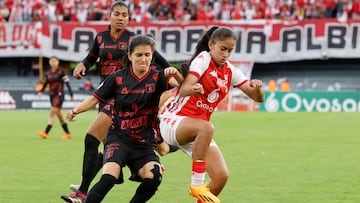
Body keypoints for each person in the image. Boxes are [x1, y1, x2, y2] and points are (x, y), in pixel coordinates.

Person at [61, 2, 175, 202]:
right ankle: (125, 169)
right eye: (118, 14)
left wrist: (173, 79)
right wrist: (82, 65)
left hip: (122, 100)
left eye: (125, 15)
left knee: (98, 140)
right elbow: (90, 59)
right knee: (112, 144)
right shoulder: (100, 38)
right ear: (110, 16)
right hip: (109, 94)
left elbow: (163, 65)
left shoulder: (135, 41)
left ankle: (84, 191)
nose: (121, 18)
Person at [159, 27, 265, 203]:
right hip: (174, 121)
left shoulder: (231, 71)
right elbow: (184, 88)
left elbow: (257, 98)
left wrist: (258, 88)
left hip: (198, 131)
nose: (226, 54)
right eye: (222, 49)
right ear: (211, 44)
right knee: (207, 127)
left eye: (230, 50)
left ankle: (199, 192)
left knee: (221, 176)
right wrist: (193, 88)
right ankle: (197, 184)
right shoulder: (203, 59)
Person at [37, 56, 75, 139]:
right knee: (59, 115)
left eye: (55, 61)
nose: (53, 63)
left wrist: (71, 95)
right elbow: (45, 83)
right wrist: (41, 91)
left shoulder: (61, 72)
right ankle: (67, 133)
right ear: (49, 62)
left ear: (58, 62)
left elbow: (67, 83)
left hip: (59, 95)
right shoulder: (48, 73)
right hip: (52, 95)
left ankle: (46, 132)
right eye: (52, 61)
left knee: (52, 113)